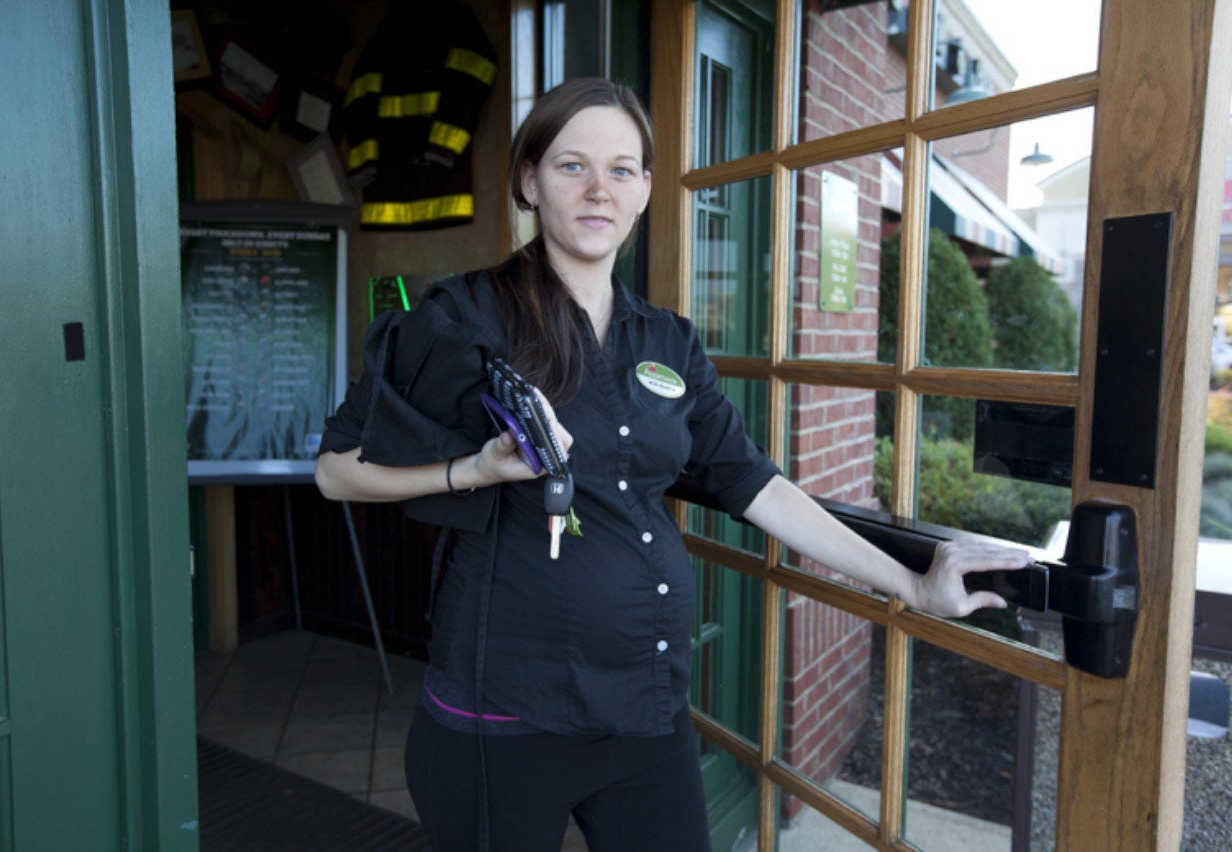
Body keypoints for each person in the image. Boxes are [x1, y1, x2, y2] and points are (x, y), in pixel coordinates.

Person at [315, 77, 1028, 852]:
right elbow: (338, 470)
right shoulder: (462, 317)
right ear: (528, 180)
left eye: (622, 170)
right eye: (570, 166)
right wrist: (474, 472)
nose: (598, 190)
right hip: (505, 721)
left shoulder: (669, 342)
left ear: (647, 190)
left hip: (643, 714)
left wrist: (912, 583)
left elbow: (754, 484)